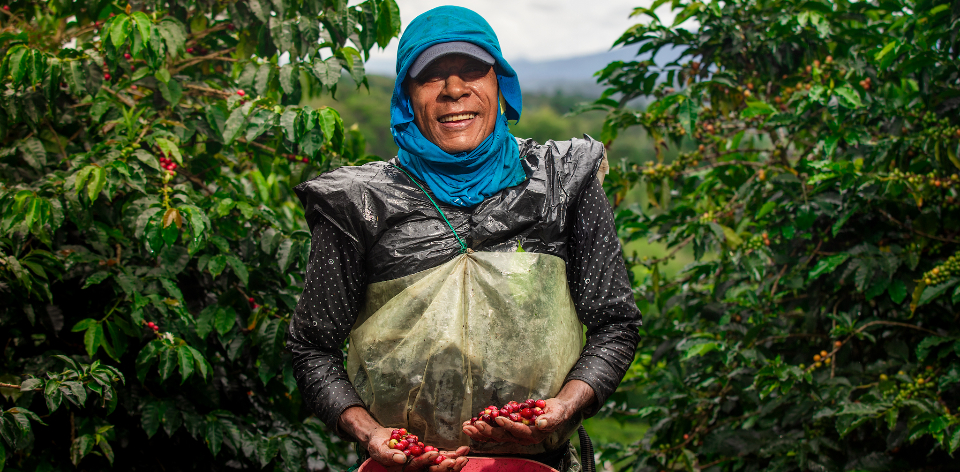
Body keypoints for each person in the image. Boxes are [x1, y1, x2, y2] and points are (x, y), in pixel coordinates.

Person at [288, 6, 641, 472]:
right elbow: (312, 347)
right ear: (406, 97)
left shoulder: (563, 181)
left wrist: (564, 408)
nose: (454, 91)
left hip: (542, 462)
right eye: (431, 76)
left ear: (501, 84)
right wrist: (372, 434)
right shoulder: (357, 203)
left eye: (473, 70)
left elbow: (615, 324)